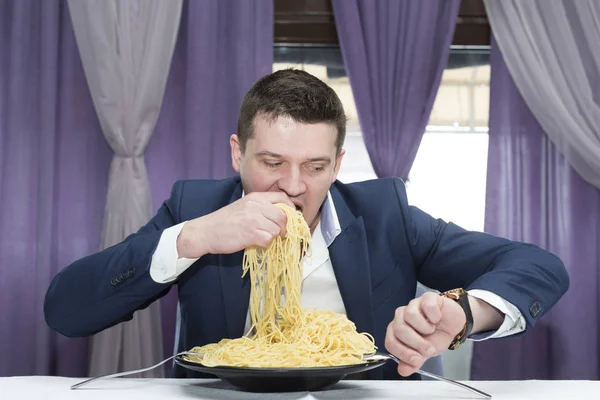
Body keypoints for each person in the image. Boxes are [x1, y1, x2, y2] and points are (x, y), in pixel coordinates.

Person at [44, 69, 569, 380]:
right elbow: (66, 309)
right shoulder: (194, 207)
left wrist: (463, 312)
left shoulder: (386, 214)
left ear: (338, 165)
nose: (293, 186)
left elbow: (538, 266)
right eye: (272, 163)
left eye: (315, 167)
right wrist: (193, 238)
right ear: (237, 153)